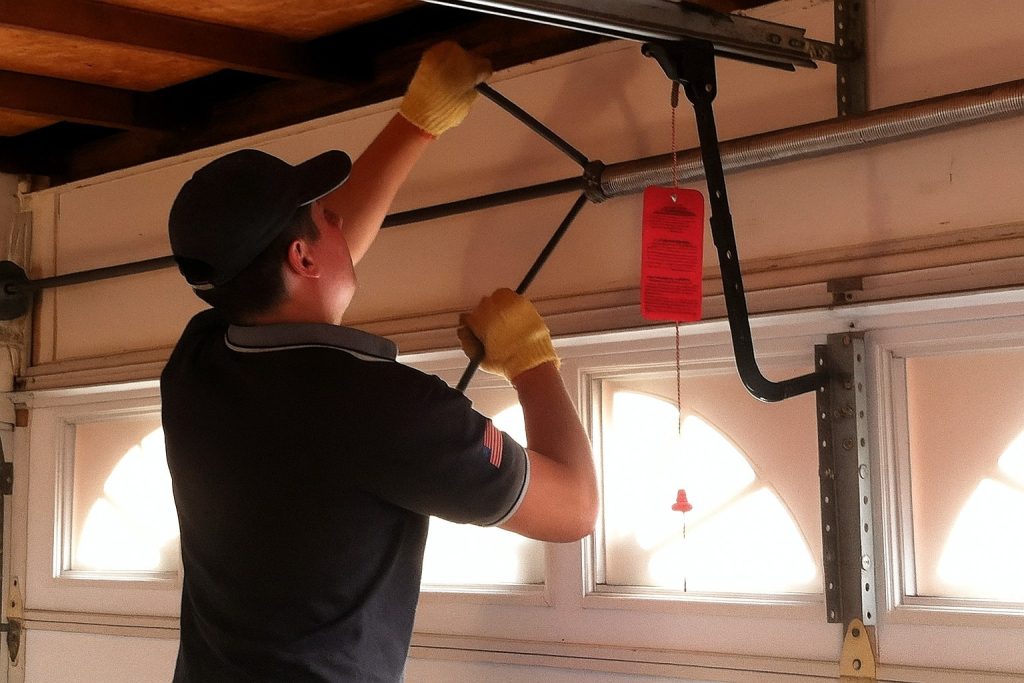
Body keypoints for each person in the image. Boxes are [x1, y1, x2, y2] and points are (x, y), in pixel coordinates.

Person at [161, 41, 598, 682]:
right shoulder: (388, 412)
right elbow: (576, 509)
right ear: (303, 259)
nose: (341, 221)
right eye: (326, 217)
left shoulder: (200, 364)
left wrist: (416, 123)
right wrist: (533, 363)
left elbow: (314, 273)